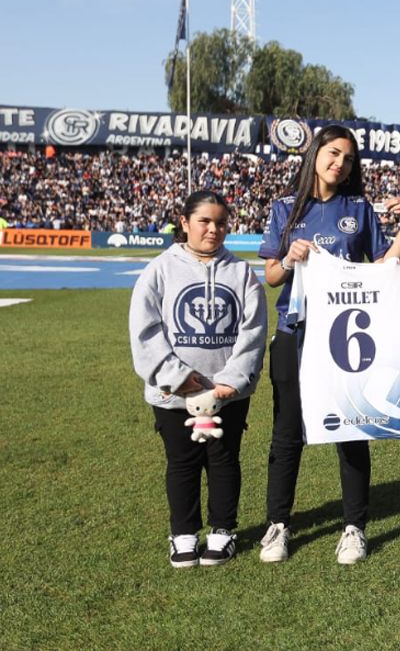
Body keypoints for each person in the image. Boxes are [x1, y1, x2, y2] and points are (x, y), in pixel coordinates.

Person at [257, 125, 400, 565]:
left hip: (346, 342)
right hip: (295, 335)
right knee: (287, 434)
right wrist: (289, 259)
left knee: (352, 428)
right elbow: (271, 276)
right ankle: (278, 526)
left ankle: (354, 528)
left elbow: (386, 264)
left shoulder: (358, 208)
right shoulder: (285, 207)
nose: (339, 162)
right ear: (315, 153)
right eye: (332, 152)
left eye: (347, 158)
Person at [129, 190, 267, 568]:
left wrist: (233, 381)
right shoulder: (160, 269)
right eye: (205, 221)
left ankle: (223, 532)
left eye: (221, 222)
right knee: (182, 462)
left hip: (227, 394)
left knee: (224, 460)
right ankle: (184, 534)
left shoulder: (241, 273)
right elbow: (145, 329)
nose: (213, 229)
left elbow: (252, 331)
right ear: (185, 223)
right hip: (173, 394)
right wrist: (175, 376)